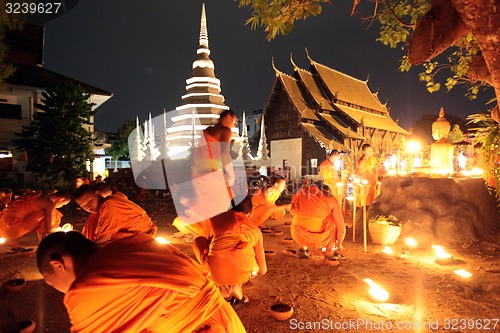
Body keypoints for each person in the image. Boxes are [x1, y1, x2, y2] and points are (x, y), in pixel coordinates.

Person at [37, 231, 246, 333]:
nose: (58, 289)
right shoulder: (137, 241)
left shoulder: (86, 290)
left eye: (51, 282)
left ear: (58, 265)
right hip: (228, 321)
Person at [193, 197, 267, 308]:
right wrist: (251, 271)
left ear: (228, 209)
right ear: (250, 213)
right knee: (244, 259)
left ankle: (223, 289)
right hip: (241, 275)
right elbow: (263, 270)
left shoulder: (218, 222)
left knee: (199, 241)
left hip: (216, 273)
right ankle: (236, 288)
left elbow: (211, 248)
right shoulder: (255, 230)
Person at [174, 110, 239, 231]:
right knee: (221, 205)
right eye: (235, 121)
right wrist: (231, 174)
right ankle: (211, 230)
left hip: (197, 173)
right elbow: (225, 153)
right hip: (211, 172)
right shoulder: (225, 130)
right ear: (229, 116)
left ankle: (199, 223)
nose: (234, 124)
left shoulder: (207, 131)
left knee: (208, 203)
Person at [75, 184, 157, 244]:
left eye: (89, 201)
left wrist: (87, 252)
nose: (88, 207)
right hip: (131, 234)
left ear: (97, 194)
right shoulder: (101, 210)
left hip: (142, 235)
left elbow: (105, 237)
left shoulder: (110, 204)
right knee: (93, 218)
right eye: (83, 206)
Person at [290, 183, 346, 260]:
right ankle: (329, 252)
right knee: (332, 221)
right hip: (316, 237)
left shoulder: (303, 194)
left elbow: (293, 211)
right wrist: (339, 244)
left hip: (296, 235)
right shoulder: (331, 199)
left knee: (303, 218)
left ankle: (302, 249)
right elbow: (341, 229)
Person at [0, 190, 71, 248]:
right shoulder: (49, 204)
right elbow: (48, 229)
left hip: (2, 225)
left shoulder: (39, 196)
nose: (61, 207)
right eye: (63, 204)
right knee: (54, 214)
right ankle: (43, 245)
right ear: (62, 199)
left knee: (44, 213)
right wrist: (56, 230)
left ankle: (15, 242)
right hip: (11, 228)